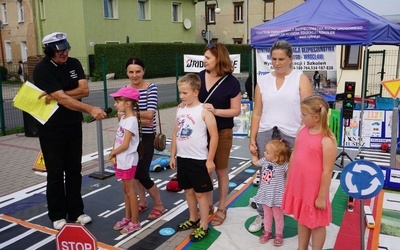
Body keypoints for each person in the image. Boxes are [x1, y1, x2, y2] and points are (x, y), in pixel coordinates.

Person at [32, 32, 107, 230]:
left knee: (74, 170)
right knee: (55, 173)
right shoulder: (42, 69)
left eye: (66, 49)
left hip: (73, 125)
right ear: (49, 52)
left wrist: (57, 94)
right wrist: (90, 109)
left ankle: (76, 211)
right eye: (59, 51)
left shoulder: (74, 63)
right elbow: (66, 100)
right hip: (51, 128)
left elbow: (84, 90)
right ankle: (57, 214)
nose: (64, 53)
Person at [248, 40, 313, 232]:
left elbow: (308, 112)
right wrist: (252, 138)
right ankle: (263, 214)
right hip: (266, 133)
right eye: (273, 59)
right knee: (265, 176)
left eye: (281, 59)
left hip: (293, 134)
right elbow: (257, 112)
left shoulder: (300, 79)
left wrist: (304, 138)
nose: (277, 63)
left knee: (291, 175)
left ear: (291, 59)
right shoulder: (263, 81)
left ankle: (287, 211)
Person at [282, 95, 337, 250]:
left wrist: (321, 196)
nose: (302, 118)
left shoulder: (327, 140)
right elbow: (294, 154)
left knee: (317, 223)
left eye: (304, 115)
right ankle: (302, 247)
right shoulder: (302, 130)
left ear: (316, 117)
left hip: (314, 189)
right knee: (302, 217)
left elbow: (327, 171)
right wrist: (289, 177)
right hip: (299, 184)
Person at [170, 73, 218, 242]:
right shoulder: (180, 109)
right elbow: (176, 132)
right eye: (180, 93)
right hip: (183, 158)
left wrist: (210, 159)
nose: (181, 96)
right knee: (188, 191)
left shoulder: (204, 111)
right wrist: (172, 154)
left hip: (199, 160)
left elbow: (214, 136)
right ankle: (193, 218)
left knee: (201, 194)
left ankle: (204, 224)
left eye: (184, 93)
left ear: (195, 92)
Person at [199, 43, 241, 226]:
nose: (204, 60)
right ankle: (207, 204)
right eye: (204, 57)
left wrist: (215, 111)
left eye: (208, 57)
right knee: (204, 169)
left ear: (219, 59)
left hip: (223, 132)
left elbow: (236, 111)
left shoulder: (232, 82)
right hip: (201, 132)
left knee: (221, 170)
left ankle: (222, 207)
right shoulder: (198, 77)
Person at [124, 57, 166, 219]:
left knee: (142, 173)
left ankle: (159, 205)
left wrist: (130, 114)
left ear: (143, 71)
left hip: (147, 137)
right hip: (131, 136)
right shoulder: (125, 89)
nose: (134, 75)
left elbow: (150, 114)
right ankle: (142, 202)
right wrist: (138, 117)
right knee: (134, 172)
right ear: (127, 72)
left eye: (138, 72)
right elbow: (120, 115)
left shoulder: (150, 88)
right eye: (131, 72)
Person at [109, 87, 142, 234]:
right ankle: (127, 217)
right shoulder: (123, 118)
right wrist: (114, 153)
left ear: (128, 103)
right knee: (125, 190)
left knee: (130, 191)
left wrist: (112, 153)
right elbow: (118, 138)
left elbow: (126, 144)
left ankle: (135, 222)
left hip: (128, 160)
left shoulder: (131, 121)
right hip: (121, 159)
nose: (115, 104)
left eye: (118, 101)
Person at [251, 139, 291, 246]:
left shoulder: (283, 165)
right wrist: (254, 154)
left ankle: (279, 234)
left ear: (276, 157)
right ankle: (267, 232)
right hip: (265, 194)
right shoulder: (265, 161)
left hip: (277, 195)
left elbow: (292, 172)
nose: (264, 153)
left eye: (267, 152)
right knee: (267, 215)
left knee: (278, 216)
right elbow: (255, 162)